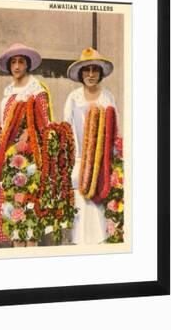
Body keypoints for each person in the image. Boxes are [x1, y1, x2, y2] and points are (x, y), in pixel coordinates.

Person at [0, 43, 51, 247]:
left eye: (21, 62)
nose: (17, 66)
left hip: (30, 160)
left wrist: (30, 133)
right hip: (10, 158)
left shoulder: (36, 90)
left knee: (29, 212)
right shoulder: (8, 92)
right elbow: (4, 123)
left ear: (27, 65)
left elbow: (46, 123)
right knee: (14, 214)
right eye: (13, 62)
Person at [64, 47, 116, 245]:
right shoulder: (73, 98)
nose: (91, 74)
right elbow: (67, 130)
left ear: (100, 73)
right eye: (87, 70)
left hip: (100, 163)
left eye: (95, 70)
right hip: (78, 162)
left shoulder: (107, 98)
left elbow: (113, 131)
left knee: (98, 217)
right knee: (80, 216)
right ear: (81, 73)